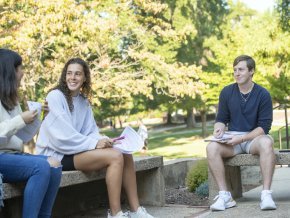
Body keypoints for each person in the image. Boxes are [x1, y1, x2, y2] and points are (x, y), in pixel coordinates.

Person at [36, 58, 154, 218]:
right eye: (69, 73)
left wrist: (105, 140)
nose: (73, 77)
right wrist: (94, 143)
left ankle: (136, 210)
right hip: (56, 155)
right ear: (65, 76)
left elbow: (90, 131)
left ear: (85, 78)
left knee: (125, 152)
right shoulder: (55, 97)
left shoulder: (83, 101)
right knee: (115, 157)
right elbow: (61, 138)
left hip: (77, 150)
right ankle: (116, 213)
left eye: (77, 74)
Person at [207, 55, 276, 211]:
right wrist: (219, 128)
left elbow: (264, 127)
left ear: (251, 71)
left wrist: (243, 138)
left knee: (267, 142)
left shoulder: (263, 94)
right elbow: (221, 119)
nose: (236, 73)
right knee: (211, 147)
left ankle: (266, 195)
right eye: (235, 70)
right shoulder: (226, 92)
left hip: (254, 139)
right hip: (232, 139)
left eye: (241, 69)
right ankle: (225, 196)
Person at [0, 48, 62, 218]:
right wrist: (20, 119)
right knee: (40, 166)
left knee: (54, 164)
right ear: (9, 71)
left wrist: (36, 118)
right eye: (20, 68)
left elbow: (22, 137)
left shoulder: (11, 99)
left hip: (12, 155)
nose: (23, 72)